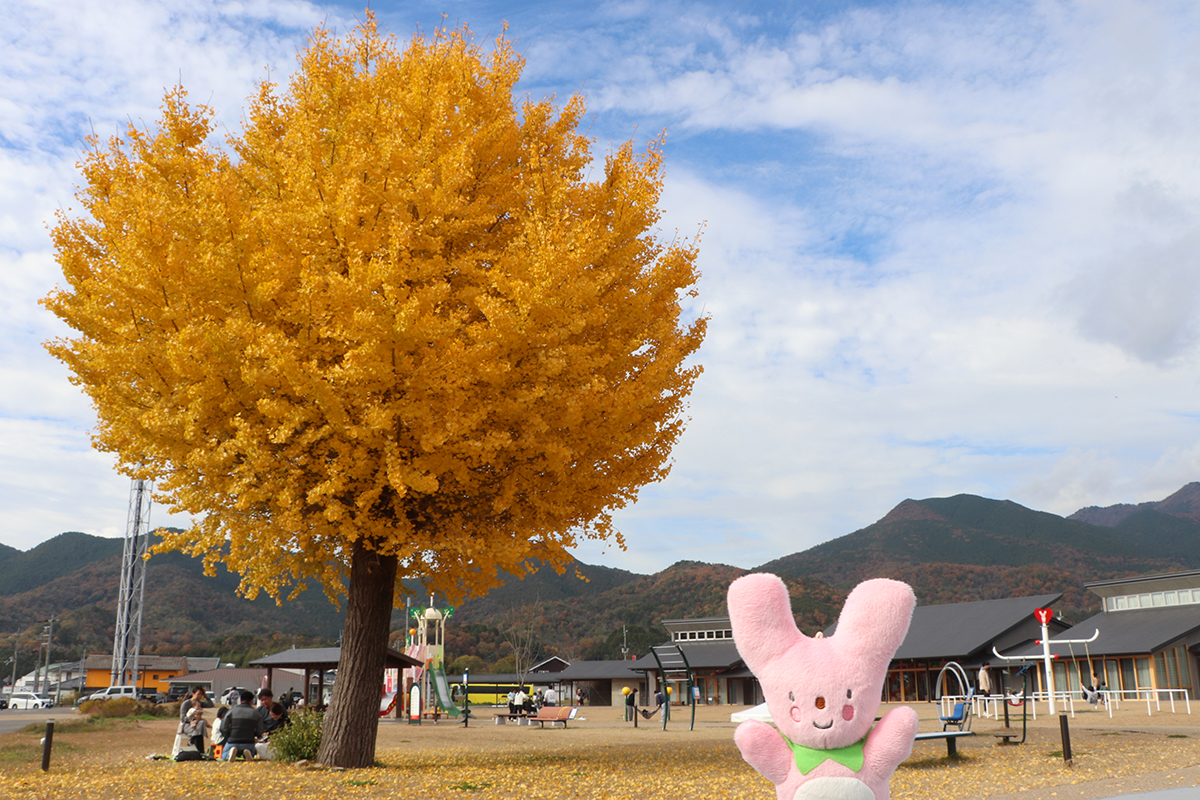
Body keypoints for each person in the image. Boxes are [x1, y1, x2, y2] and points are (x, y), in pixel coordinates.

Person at [221, 689, 265, 761]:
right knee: (251, 752)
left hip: (233, 740)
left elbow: (223, 727)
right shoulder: (256, 713)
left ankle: (229, 753)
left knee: (224, 755)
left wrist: (230, 734)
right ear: (251, 701)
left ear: (240, 700)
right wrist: (253, 735)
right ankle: (248, 753)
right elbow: (260, 730)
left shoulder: (232, 710)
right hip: (249, 741)